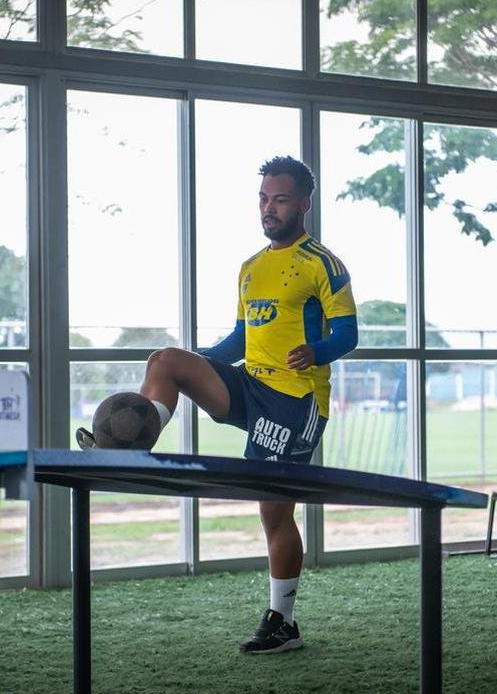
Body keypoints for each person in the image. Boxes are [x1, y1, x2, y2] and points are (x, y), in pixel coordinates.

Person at [84, 155, 358, 654]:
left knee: (274, 513)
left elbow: (349, 333)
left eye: (279, 199)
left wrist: (315, 351)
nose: (268, 208)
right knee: (166, 359)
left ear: (303, 203)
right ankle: (132, 447)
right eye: (262, 199)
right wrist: (202, 363)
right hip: (250, 386)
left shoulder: (323, 264)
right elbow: (241, 336)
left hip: (294, 400)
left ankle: (284, 622)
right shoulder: (251, 268)